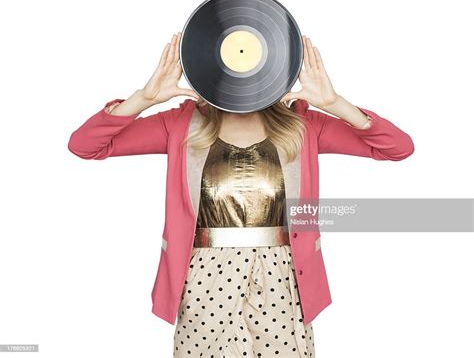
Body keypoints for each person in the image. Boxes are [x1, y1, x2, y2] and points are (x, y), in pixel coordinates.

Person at [68, 32, 414, 357]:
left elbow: (398, 148)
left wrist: (335, 103)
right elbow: (86, 146)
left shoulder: (303, 126)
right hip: (204, 276)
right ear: (210, 61)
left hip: (283, 276)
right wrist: (143, 98)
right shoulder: (179, 124)